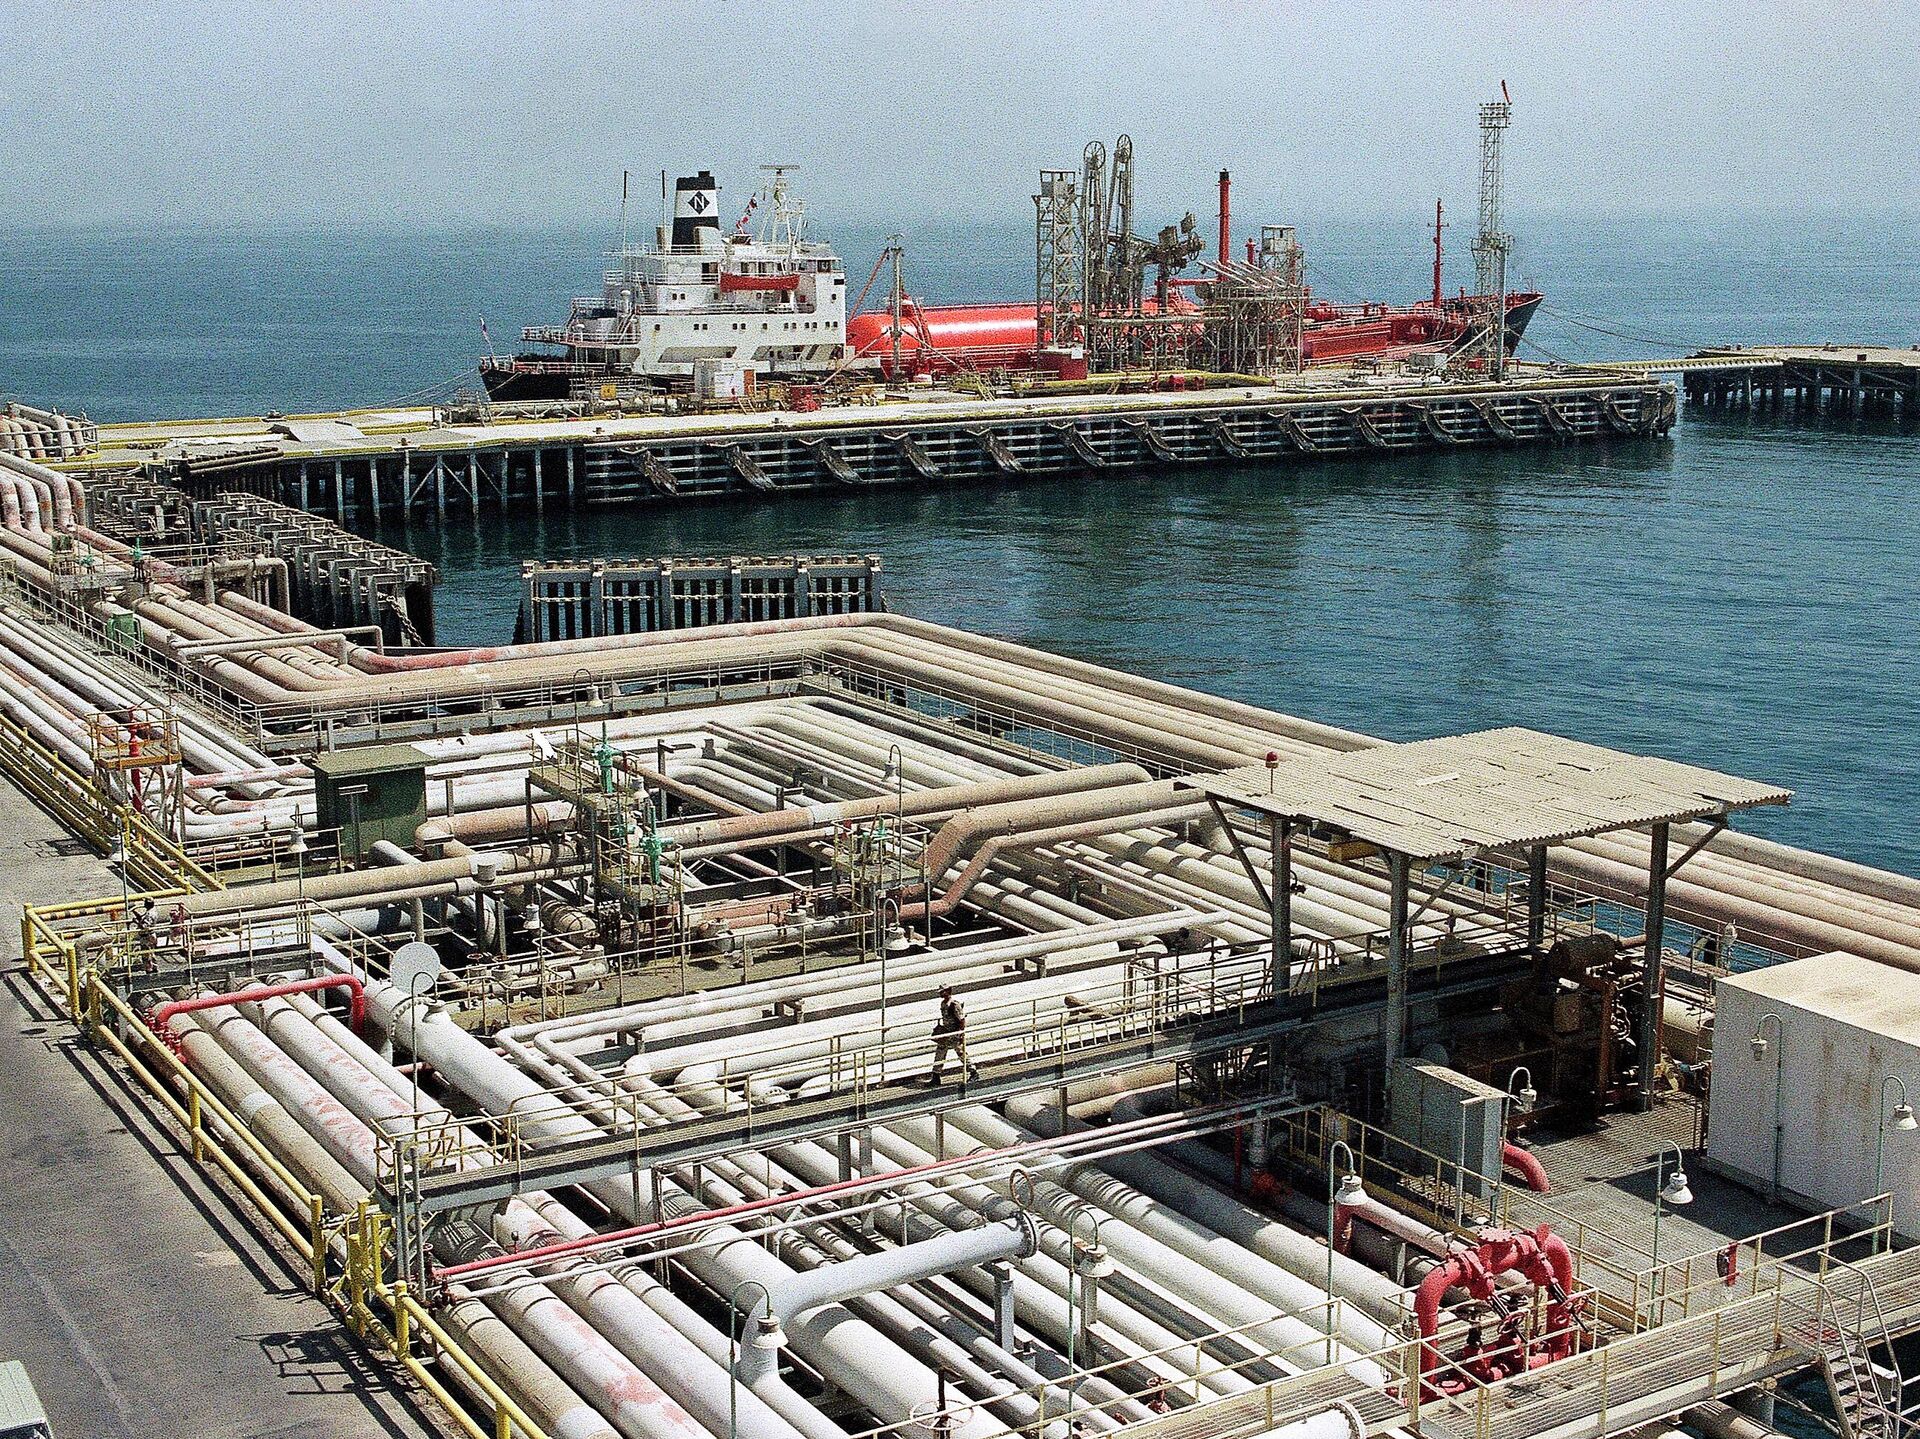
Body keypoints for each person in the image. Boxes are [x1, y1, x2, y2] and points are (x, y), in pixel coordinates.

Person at [927, 984, 978, 1084]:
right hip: (946, 1033)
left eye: (943, 991)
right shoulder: (943, 1004)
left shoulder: (954, 1004)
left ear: (948, 991)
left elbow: (961, 1020)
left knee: (961, 1053)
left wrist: (961, 1033)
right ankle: (936, 1076)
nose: (941, 994)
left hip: (955, 1033)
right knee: (940, 1053)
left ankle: (973, 1072)